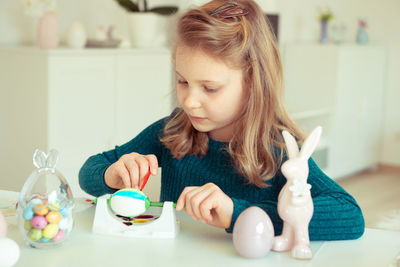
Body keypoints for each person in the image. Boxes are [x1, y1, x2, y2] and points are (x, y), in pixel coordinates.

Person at [79, 0, 364, 240]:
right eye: (182, 80)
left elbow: (350, 215)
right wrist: (112, 174)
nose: (189, 101)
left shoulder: (278, 147)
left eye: (210, 88)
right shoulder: (174, 130)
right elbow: (89, 171)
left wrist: (241, 214)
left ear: (253, 82)